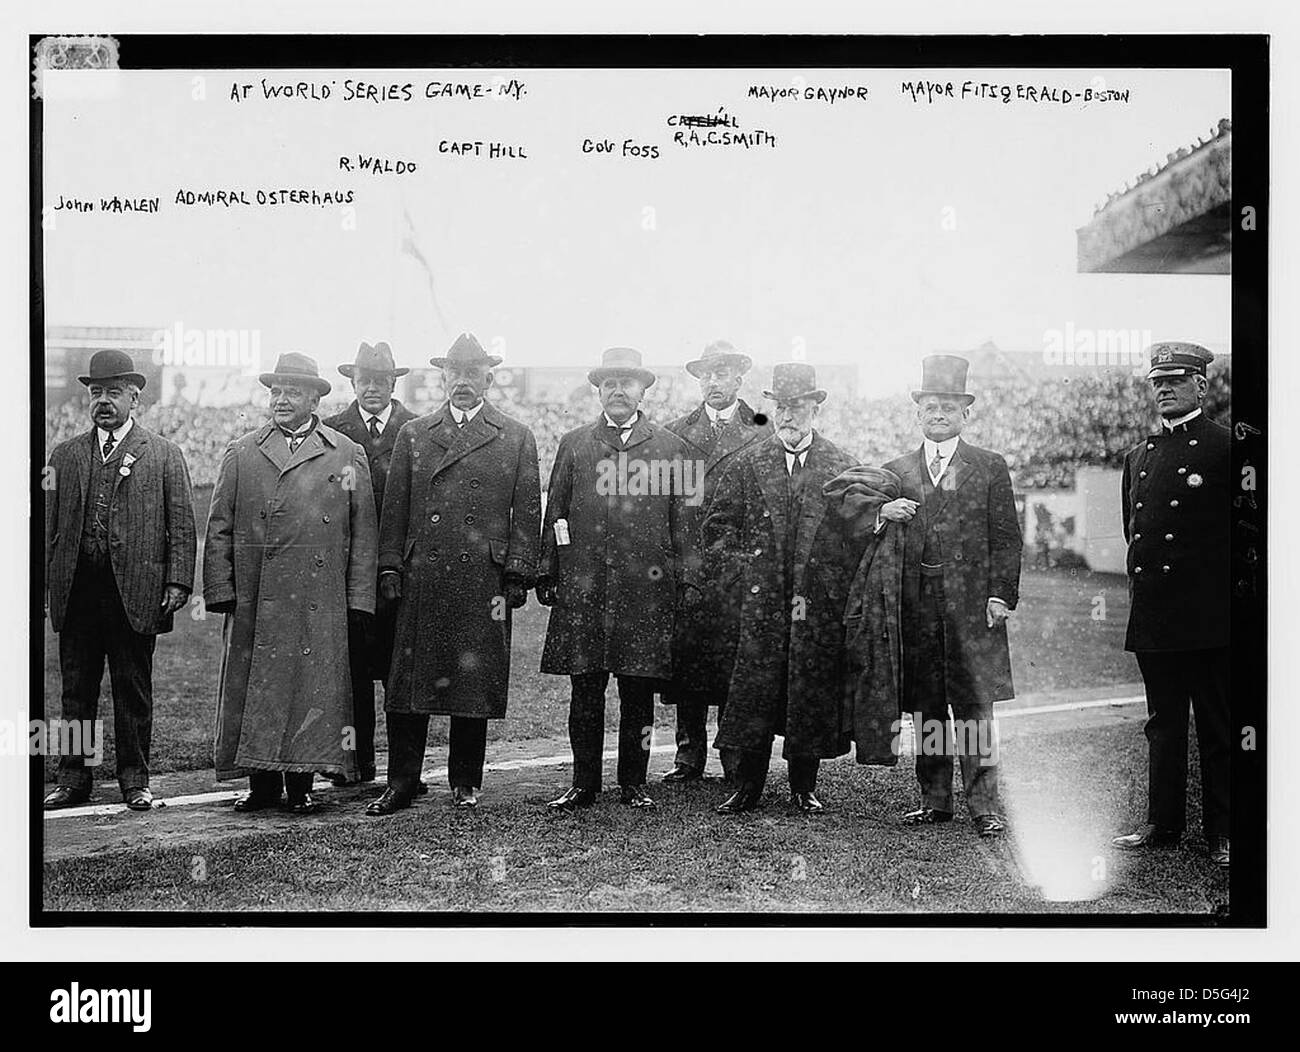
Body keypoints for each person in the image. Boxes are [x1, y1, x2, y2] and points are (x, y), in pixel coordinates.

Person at [367, 333, 541, 815]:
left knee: (471, 679)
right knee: (409, 684)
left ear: (489, 377)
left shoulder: (515, 435)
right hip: (423, 574)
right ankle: (401, 781)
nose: (463, 381)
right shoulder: (415, 434)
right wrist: (388, 565)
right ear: (443, 377)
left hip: (481, 577)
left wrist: (517, 573)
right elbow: (395, 510)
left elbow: (526, 512)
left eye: (473, 372)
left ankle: (466, 780)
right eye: (455, 372)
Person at [204, 352, 377, 815]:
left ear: (315, 398)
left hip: (318, 597)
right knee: (258, 687)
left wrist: (359, 598)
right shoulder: (242, 451)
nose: (281, 400)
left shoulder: (344, 452)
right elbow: (219, 524)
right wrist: (221, 590)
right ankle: (261, 783)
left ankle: (301, 783)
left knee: (309, 687)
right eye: (276, 391)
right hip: (258, 596)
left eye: (292, 392)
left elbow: (363, 533)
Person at [536, 347, 689, 811]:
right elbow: (556, 512)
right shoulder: (575, 443)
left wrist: (687, 582)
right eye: (609, 383)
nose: (618, 390)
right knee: (585, 688)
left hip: (645, 590)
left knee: (637, 689)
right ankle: (584, 783)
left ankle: (633, 783)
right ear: (599, 391)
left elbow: (685, 522)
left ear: (643, 389)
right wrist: (550, 568)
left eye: (627, 382)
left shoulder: (669, 447)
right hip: (585, 588)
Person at [43, 350, 196, 811]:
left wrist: (178, 583)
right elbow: (46, 530)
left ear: (134, 397)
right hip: (78, 591)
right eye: (96, 393)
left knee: (132, 688)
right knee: (76, 689)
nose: (103, 401)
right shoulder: (64, 455)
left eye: (113, 392)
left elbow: (183, 525)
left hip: (136, 592)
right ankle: (73, 778)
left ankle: (135, 780)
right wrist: (43, 589)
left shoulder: (165, 454)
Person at [882, 354, 1022, 838]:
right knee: (926, 704)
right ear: (918, 413)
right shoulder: (896, 470)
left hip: (971, 606)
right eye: (930, 405)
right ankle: (934, 800)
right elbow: (862, 523)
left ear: (966, 413)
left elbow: (1006, 537)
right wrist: (883, 509)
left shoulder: (988, 466)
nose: (938, 413)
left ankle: (984, 805)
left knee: (974, 703)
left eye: (949, 406)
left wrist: (1001, 594)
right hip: (917, 602)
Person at [706, 363, 855, 814]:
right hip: (761, 604)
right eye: (781, 408)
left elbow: (854, 539)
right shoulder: (748, 464)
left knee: (808, 690)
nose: (788, 416)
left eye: (798, 407)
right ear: (771, 409)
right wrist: (746, 576)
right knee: (754, 692)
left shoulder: (840, 465)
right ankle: (747, 786)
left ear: (815, 408)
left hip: (814, 604)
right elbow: (717, 530)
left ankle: (803, 786)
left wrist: (830, 584)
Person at [1112, 342, 1230, 868]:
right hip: (1157, 615)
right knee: (1163, 723)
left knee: (1217, 725)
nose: (1164, 389)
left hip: (1210, 616)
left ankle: (1223, 833)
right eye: (1158, 381)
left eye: (1177, 380)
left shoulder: (1229, 449)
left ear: (1201, 385)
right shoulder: (1140, 456)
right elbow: (1133, 535)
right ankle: (1163, 824)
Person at [662, 340, 771, 785]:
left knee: (733, 660)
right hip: (689, 561)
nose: (713, 382)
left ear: (738, 379)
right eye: (706, 374)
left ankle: (733, 753)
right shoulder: (674, 431)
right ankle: (688, 755)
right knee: (686, 660)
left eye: (721, 373)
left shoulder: (761, 429)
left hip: (735, 562)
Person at [321, 340, 418, 787]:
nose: (373, 389)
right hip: (351, 569)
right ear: (353, 383)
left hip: (402, 566)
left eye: (381, 381)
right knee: (353, 671)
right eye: (365, 381)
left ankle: (405, 770)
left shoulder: (417, 430)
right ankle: (356, 765)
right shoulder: (332, 431)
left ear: (393, 383)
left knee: (402, 673)